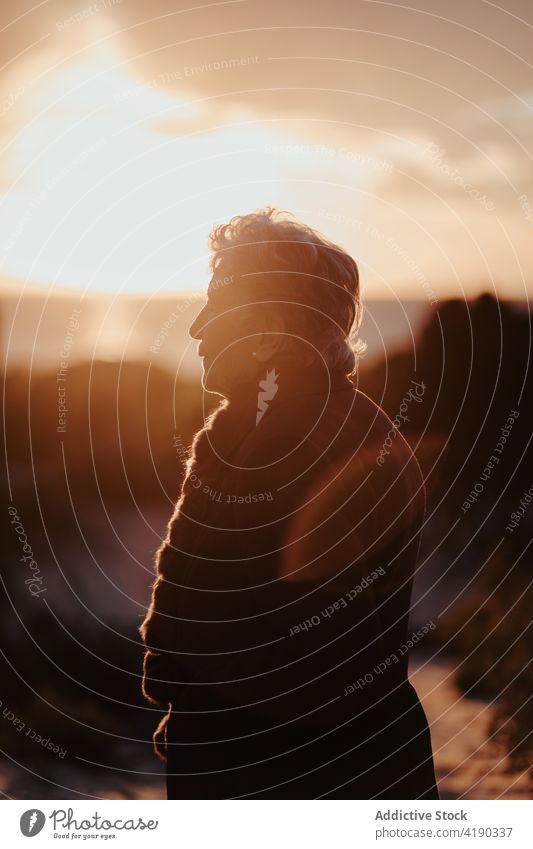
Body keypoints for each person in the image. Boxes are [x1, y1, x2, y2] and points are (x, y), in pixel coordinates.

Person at [140, 207, 439, 799]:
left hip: (296, 767)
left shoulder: (333, 444)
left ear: (272, 327)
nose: (197, 329)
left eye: (219, 308)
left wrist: (207, 715)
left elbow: (313, 652)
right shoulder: (241, 433)